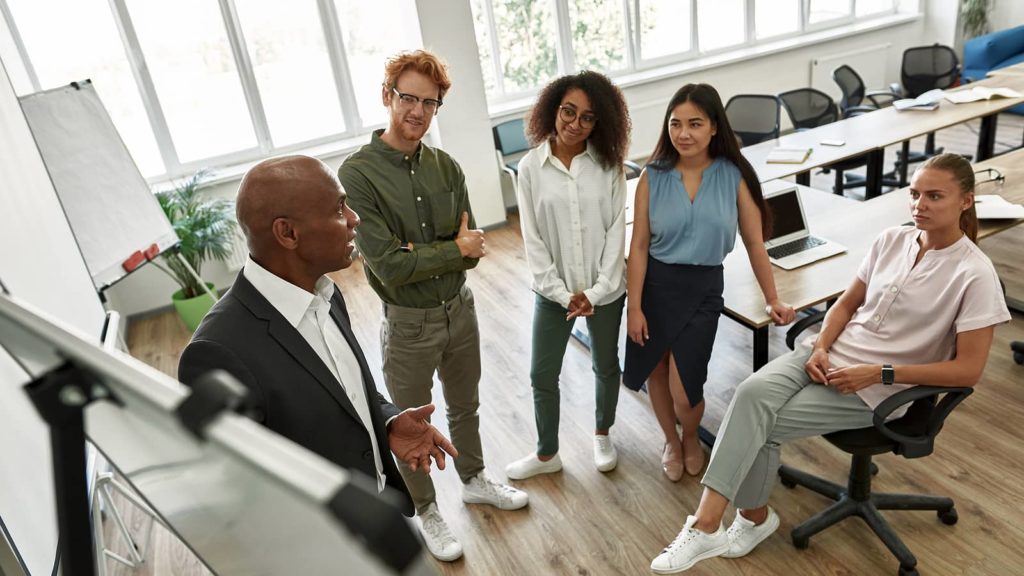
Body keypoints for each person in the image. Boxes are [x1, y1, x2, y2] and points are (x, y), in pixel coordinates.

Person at [649, 153, 1012, 574]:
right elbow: (844, 305)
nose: (919, 205)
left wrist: (880, 372)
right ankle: (727, 522)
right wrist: (820, 346)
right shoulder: (892, 239)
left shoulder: (974, 273)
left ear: (966, 201)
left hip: (876, 388)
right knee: (748, 396)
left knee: (757, 424)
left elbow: (968, 371)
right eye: (914, 194)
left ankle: (732, 521)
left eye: (935, 196)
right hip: (827, 354)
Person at [178, 155, 458, 520]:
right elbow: (238, 496)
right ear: (288, 233)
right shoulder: (216, 352)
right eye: (340, 208)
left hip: (377, 513)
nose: (354, 219)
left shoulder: (326, 293)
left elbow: (341, 389)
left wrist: (387, 421)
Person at [337, 49, 527, 562]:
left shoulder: (447, 168)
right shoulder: (357, 175)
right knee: (410, 423)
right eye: (407, 98)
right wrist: (451, 252)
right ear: (387, 97)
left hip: (460, 310)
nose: (417, 111)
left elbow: (468, 258)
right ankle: (427, 511)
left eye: (430, 102)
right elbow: (389, 266)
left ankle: (474, 478)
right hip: (407, 325)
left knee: (466, 405)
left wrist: (440, 254)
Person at [624, 83, 796, 483]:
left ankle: (690, 434)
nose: (683, 133)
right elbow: (639, 245)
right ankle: (672, 440)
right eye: (676, 124)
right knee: (657, 370)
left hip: (703, 288)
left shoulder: (731, 175)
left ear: (715, 128)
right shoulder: (653, 176)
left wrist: (772, 298)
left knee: (687, 388)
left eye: (695, 124)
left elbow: (755, 242)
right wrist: (634, 307)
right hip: (655, 285)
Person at [504, 71, 630, 480]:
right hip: (551, 293)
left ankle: (602, 432)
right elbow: (533, 239)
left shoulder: (609, 166)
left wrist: (597, 291)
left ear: (600, 122)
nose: (575, 124)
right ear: (552, 110)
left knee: (606, 365)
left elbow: (616, 231)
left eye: (587, 118)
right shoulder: (530, 168)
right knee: (542, 374)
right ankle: (546, 454)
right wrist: (562, 294)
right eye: (568, 112)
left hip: (606, 291)